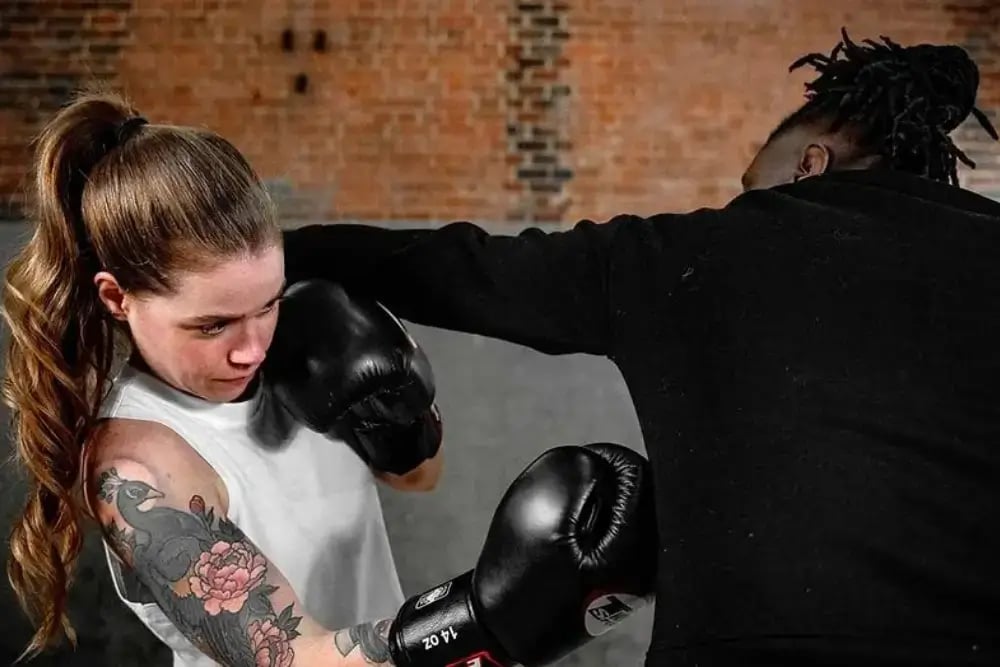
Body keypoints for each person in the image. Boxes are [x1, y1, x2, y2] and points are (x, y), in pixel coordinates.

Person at [280, 31, 1000, 666]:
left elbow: (456, 267)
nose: (740, 203)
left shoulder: (698, 254)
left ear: (810, 164)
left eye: (751, 186)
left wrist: (264, 257)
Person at [1, 89, 657, 667]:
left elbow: (418, 477)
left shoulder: (299, 338)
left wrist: (404, 425)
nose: (252, 347)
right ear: (118, 298)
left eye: (267, 304)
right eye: (213, 325)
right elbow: (297, 657)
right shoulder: (137, 468)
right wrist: (488, 611)